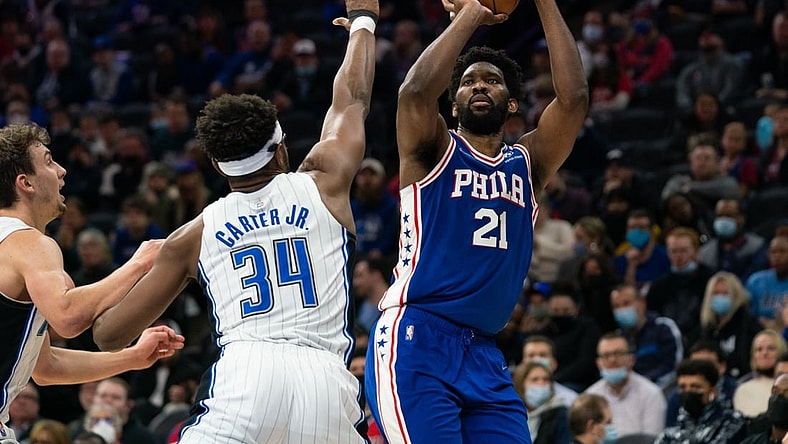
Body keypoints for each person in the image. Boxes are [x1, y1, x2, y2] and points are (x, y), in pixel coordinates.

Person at [92, 1, 379, 442]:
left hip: (245, 373)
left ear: (217, 166)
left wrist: (134, 271)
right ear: (281, 150)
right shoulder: (326, 180)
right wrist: (363, 20)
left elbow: (109, 334)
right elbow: (352, 99)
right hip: (326, 379)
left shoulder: (193, 235)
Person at [366, 0, 587, 440]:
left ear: (511, 105)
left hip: (484, 352)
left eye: (491, 80)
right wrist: (473, 12)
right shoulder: (431, 151)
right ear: (453, 105)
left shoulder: (529, 164)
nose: (479, 86)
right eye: (467, 82)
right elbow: (413, 93)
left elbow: (574, 98)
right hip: (417, 338)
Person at [0, 123, 184, 443]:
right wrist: (139, 264)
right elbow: (68, 316)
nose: (61, 170)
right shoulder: (27, 242)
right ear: (25, 182)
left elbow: (44, 367)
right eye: (48, 161)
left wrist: (133, 357)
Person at [584, 332, 667, 437]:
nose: (612, 360)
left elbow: (653, 439)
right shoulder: (590, 397)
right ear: (598, 363)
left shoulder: (651, 394)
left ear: (631, 359)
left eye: (618, 353)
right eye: (606, 355)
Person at [655, 359, 747, 444]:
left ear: (713, 391)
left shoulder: (732, 422)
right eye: (683, 387)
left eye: (695, 387)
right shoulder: (670, 434)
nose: (688, 392)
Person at [513, 361, 572, 444]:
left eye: (546, 379)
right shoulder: (514, 414)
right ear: (521, 384)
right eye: (535, 380)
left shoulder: (561, 415)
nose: (541, 383)